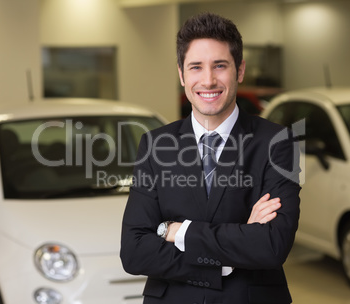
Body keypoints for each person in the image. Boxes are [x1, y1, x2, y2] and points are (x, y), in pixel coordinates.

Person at [120, 12, 301, 304]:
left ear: (239, 70)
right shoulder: (155, 145)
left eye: (220, 66)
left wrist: (177, 232)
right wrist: (238, 241)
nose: (208, 80)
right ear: (181, 74)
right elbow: (134, 251)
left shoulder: (276, 143)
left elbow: (271, 244)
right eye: (196, 67)